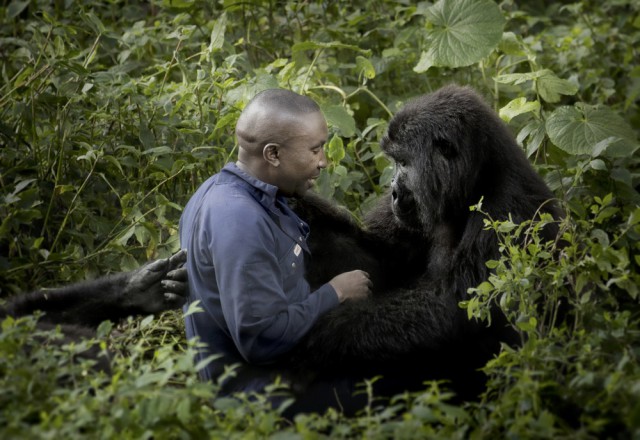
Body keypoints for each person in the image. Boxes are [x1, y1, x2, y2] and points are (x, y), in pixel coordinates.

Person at [179, 89, 372, 405]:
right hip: (260, 392)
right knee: (402, 384)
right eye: (315, 150)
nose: (324, 161)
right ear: (272, 154)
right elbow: (262, 339)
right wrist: (336, 292)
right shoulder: (240, 219)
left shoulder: (223, 191)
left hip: (270, 373)